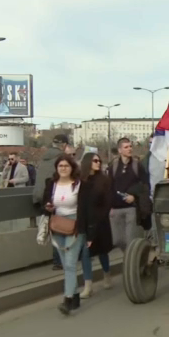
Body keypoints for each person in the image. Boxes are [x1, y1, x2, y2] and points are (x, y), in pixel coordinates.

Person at [43, 154, 85, 315]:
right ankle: (75, 296)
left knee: (70, 264)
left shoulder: (79, 185)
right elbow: (44, 203)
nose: (63, 169)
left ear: (72, 168)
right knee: (65, 263)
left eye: (66, 166)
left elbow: (86, 207)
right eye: (60, 166)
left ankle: (67, 300)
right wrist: (47, 207)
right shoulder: (52, 184)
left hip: (74, 225)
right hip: (57, 224)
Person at [78, 152, 114, 298]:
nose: (98, 163)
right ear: (88, 163)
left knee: (102, 251)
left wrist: (97, 221)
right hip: (86, 222)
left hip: (100, 222)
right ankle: (88, 285)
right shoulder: (81, 182)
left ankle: (107, 275)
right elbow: (80, 205)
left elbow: (107, 202)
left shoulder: (104, 180)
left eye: (99, 160)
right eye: (94, 161)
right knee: (85, 254)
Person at [35, 135, 72, 270]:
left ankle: (58, 261)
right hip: (56, 196)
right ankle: (62, 260)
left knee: (55, 228)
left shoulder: (44, 158)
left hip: (41, 197)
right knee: (63, 228)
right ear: (64, 145)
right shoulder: (61, 159)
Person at [107, 138, 150, 252]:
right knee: (117, 240)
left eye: (130, 146)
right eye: (126, 147)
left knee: (131, 240)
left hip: (131, 208)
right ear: (120, 150)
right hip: (116, 208)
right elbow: (109, 187)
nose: (129, 149)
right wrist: (109, 207)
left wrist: (135, 197)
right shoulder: (114, 166)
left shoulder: (137, 165)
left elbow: (145, 185)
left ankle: (131, 264)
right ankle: (132, 260)